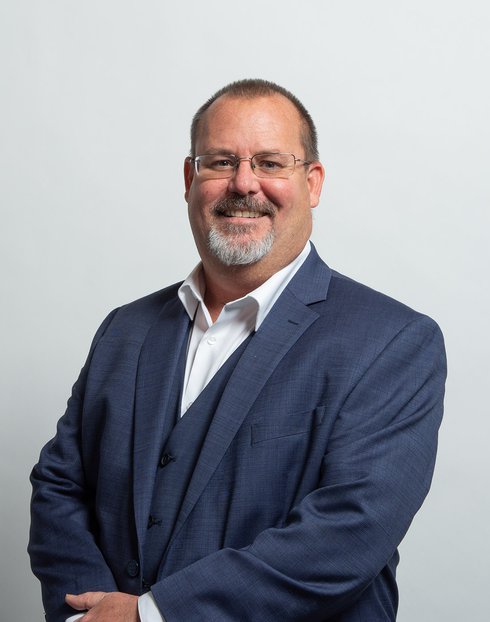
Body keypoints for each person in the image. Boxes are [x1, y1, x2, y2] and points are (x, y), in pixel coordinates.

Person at [29, 79, 446, 622]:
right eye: (221, 162)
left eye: (270, 163)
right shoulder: (124, 331)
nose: (244, 183)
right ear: (190, 180)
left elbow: (349, 534)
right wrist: (89, 615)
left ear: (313, 183)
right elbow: (60, 487)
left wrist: (150, 615)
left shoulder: (393, 342)